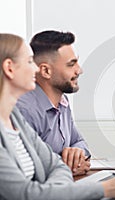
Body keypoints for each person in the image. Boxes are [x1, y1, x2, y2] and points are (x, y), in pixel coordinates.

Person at [0, 33, 115, 199]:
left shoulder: (15, 118)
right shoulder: (24, 111)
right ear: (9, 68)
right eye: (30, 61)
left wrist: (68, 164)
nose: (35, 68)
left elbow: (58, 166)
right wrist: (103, 189)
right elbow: (27, 193)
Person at [16, 30, 91, 176]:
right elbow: (27, 170)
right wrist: (65, 167)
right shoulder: (25, 110)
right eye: (71, 64)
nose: (79, 70)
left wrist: (77, 153)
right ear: (45, 71)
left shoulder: (62, 102)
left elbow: (79, 141)